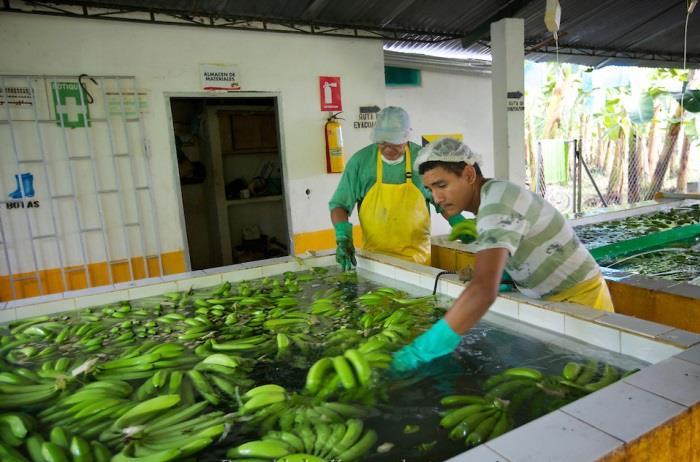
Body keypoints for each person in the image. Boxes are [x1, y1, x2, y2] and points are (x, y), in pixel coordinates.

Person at [391, 137, 615, 372]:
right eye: (430, 189)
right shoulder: (492, 199)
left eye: (442, 185)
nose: (436, 198)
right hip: (550, 300)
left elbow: (483, 290)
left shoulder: (498, 203)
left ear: (468, 175)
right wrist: (506, 275)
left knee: (588, 380)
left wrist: (422, 350)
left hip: (582, 302)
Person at [329, 107, 476, 270]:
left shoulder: (422, 160)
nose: (388, 149)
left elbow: (440, 200)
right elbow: (339, 205)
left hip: (417, 261)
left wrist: (457, 220)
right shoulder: (361, 162)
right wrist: (342, 236)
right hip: (374, 260)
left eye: (394, 143)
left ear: (406, 137)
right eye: (382, 143)